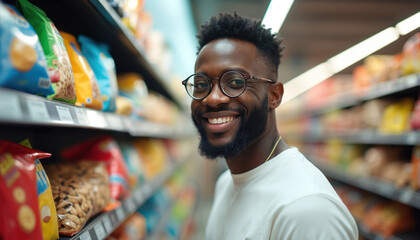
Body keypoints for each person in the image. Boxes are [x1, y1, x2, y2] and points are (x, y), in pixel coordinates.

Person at [183, 12, 358, 240]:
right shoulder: (226, 183)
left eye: (235, 82)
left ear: (274, 95)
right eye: (201, 84)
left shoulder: (307, 210)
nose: (213, 98)